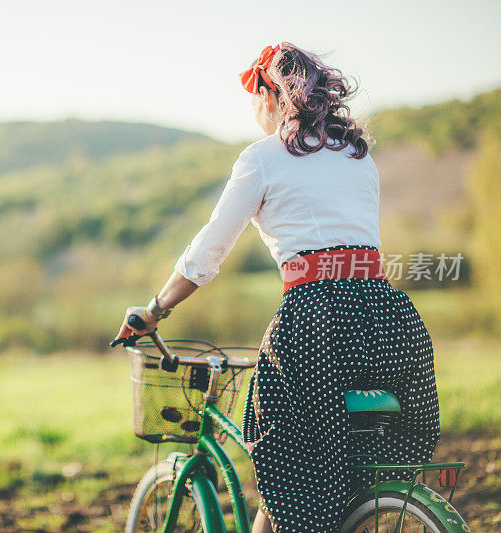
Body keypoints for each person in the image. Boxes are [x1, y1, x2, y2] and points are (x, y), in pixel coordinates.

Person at [113, 42, 441, 532]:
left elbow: (207, 253)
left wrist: (156, 309)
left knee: (284, 460)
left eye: (253, 100)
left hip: (316, 322)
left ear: (272, 96)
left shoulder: (262, 158)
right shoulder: (357, 156)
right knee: (347, 466)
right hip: (387, 319)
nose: (252, 113)